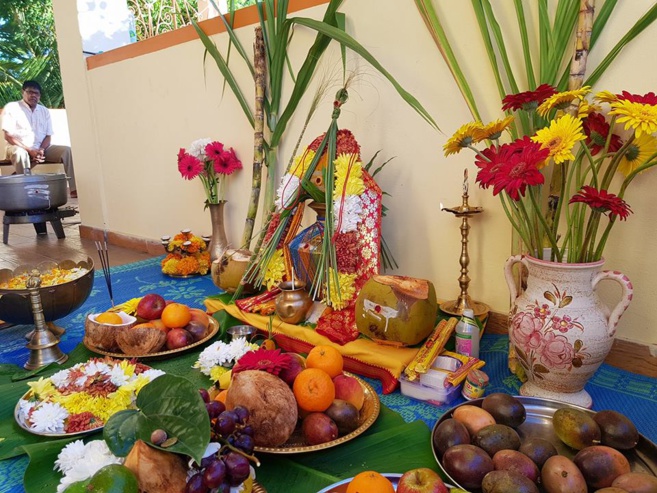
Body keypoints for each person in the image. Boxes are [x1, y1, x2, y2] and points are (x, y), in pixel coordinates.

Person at [2, 80, 77, 198]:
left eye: (36, 93)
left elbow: (48, 136)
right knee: (21, 154)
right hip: (17, 147)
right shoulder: (12, 108)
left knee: (67, 151)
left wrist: (41, 149)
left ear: (39, 95)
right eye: (30, 92)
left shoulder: (44, 111)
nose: (33, 95)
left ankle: (74, 189)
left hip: (41, 148)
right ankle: (25, 191)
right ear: (23, 92)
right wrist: (29, 150)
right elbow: (8, 136)